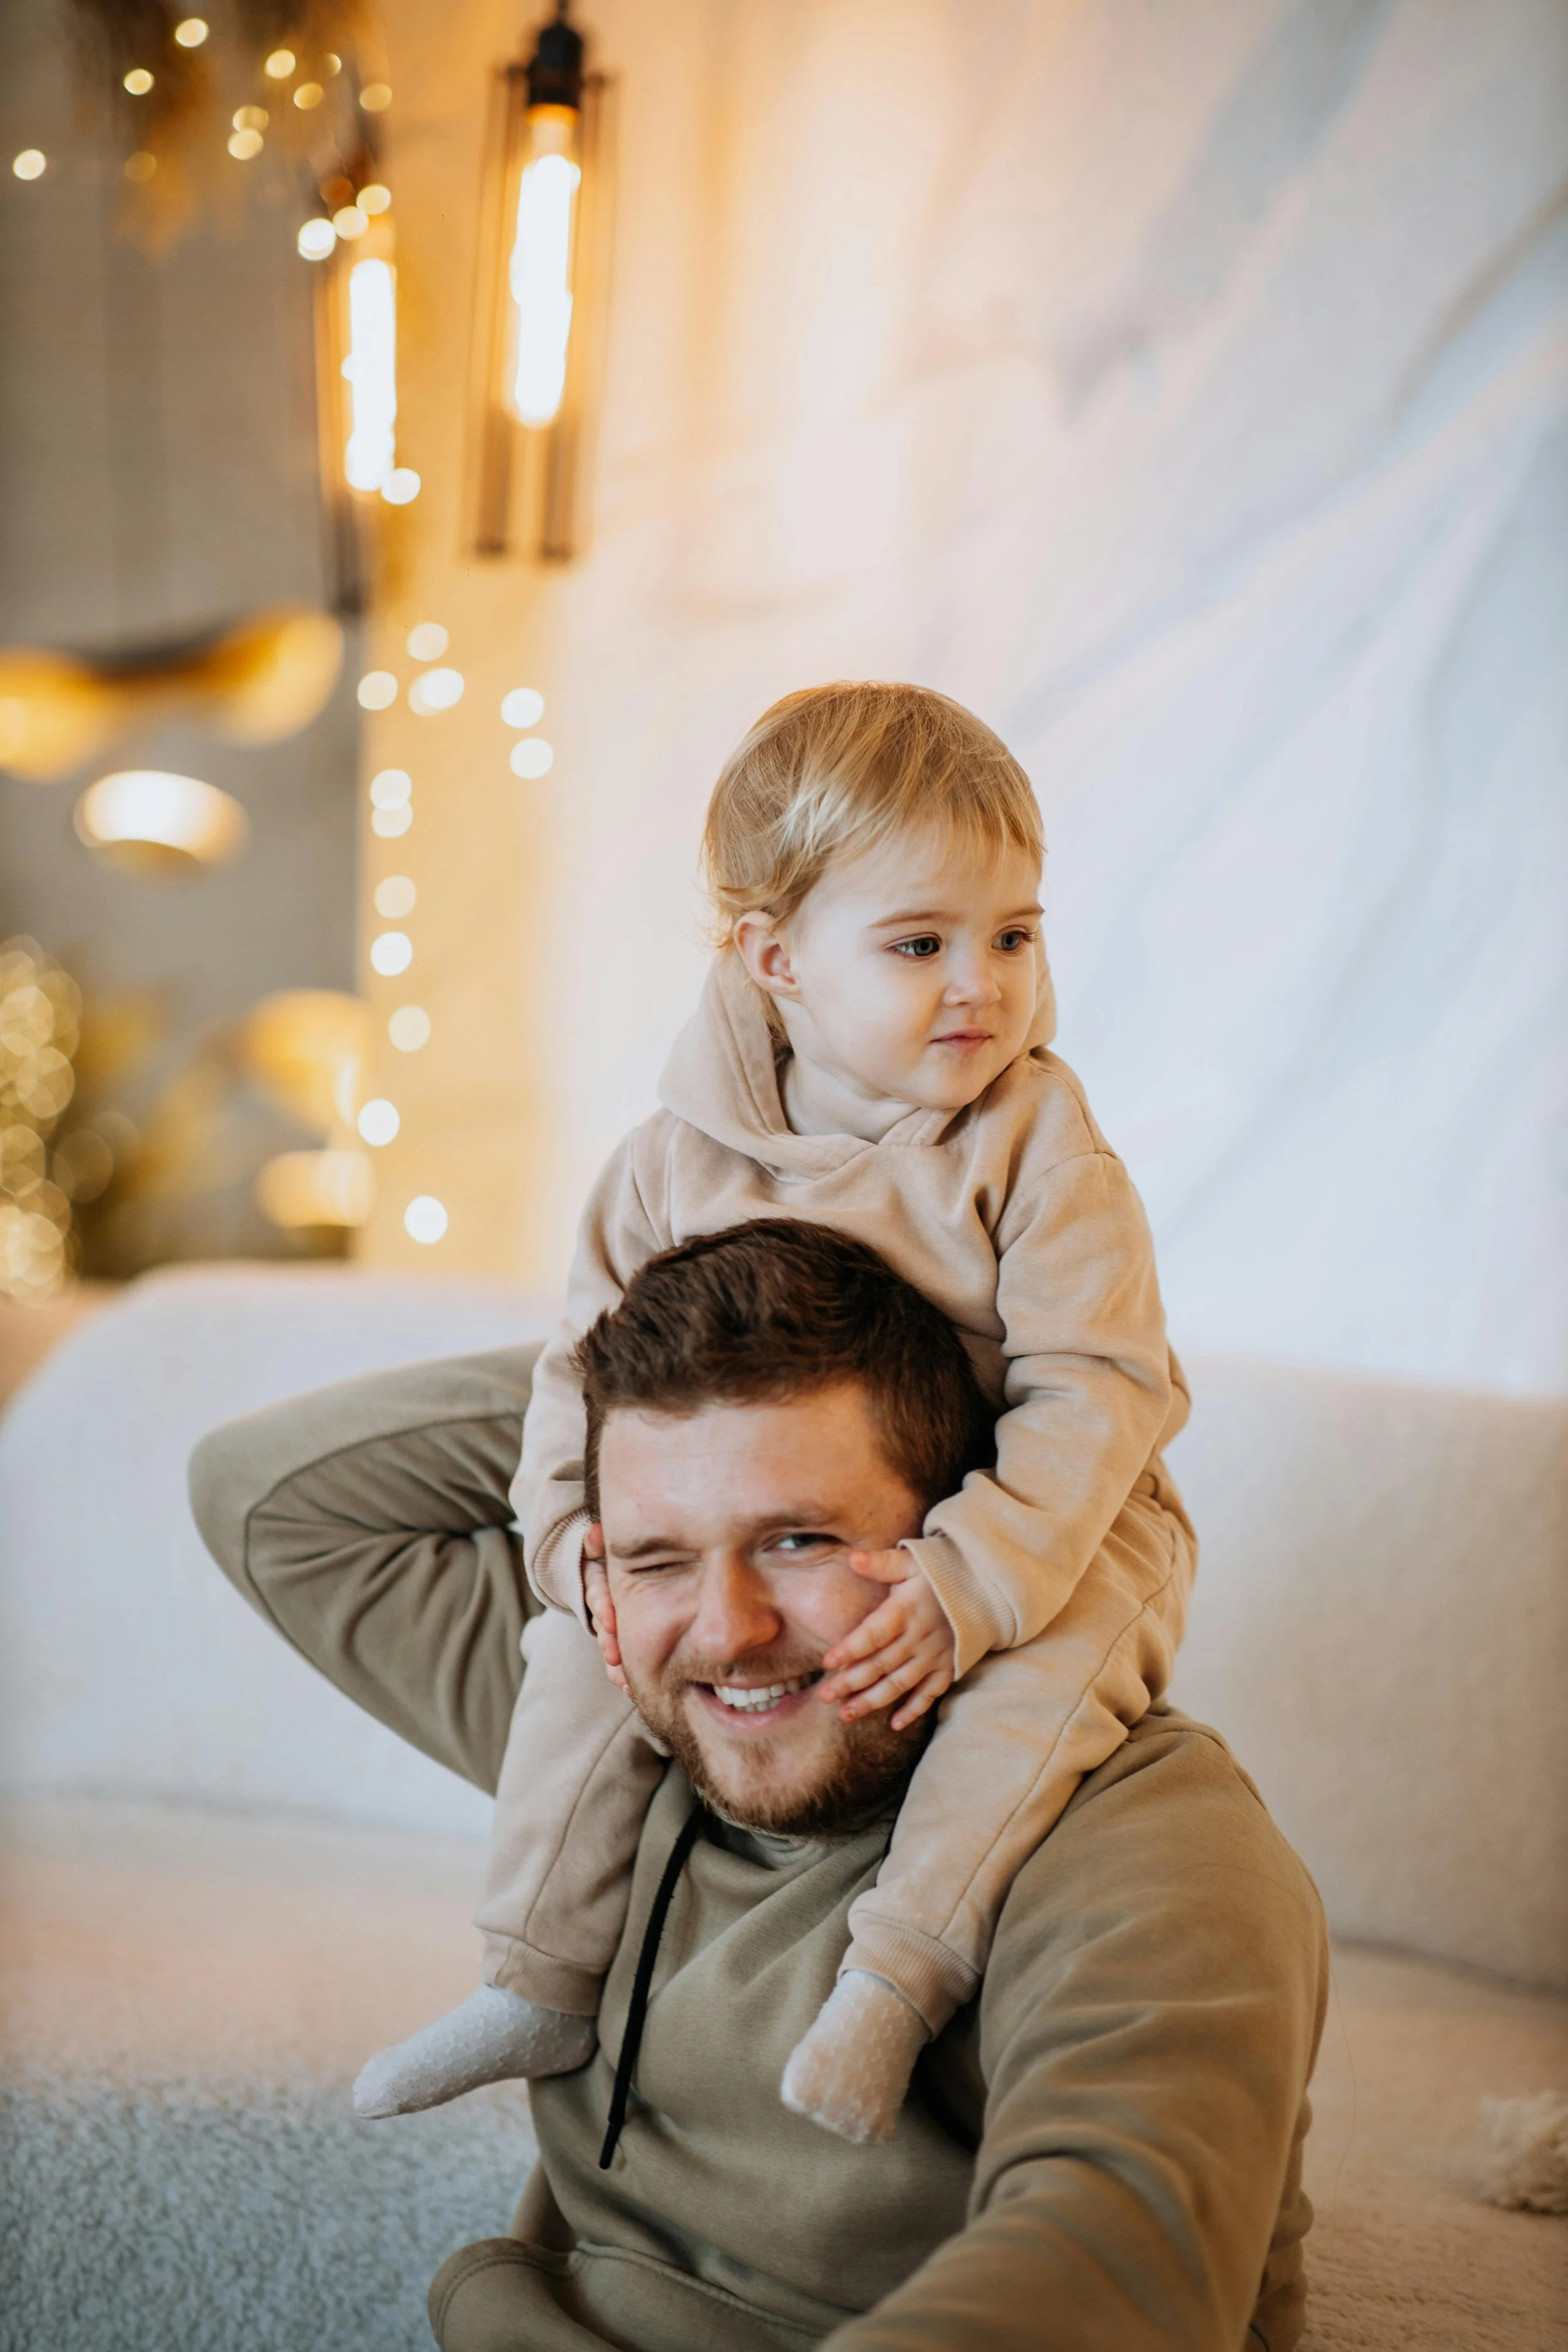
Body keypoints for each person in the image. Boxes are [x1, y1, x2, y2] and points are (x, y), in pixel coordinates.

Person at [189, 1220, 1327, 2352]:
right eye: (657, 1553)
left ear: (963, 1526)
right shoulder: (635, 1746)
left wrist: (1036, 1444)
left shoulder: (1151, 1838)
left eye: (799, 1539)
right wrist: (612, 1405)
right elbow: (265, 1498)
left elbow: (1117, 2265)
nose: (729, 1634)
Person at [354, 681, 1198, 2147]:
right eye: (918, 945)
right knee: (588, 1646)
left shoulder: (1039, 1142)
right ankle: (540, 1970)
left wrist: (967, 1576)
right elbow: (581, 1370)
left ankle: (894, 1976)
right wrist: (574, 1545)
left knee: (1035, 1689)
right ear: (777, 959)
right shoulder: (672, 1159)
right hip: (778, 1531)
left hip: (1033, 1517)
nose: (978, 987)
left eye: (1012, 934)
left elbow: (1098, 1385)